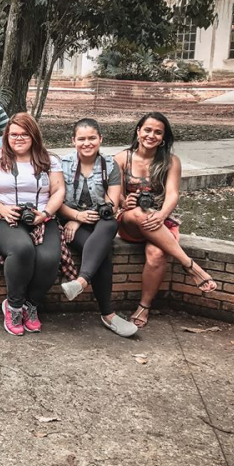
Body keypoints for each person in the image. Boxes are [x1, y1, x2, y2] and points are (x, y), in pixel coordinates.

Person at [114, 112, 217, 328]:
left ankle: (143, 306)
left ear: (163, 137)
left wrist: (161, 215)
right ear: (138, 131)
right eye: (148, 130)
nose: (151, 135)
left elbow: (172, 194)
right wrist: (125, 201)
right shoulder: (122, 158)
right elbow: (113, 194)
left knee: (157, 253)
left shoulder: (171, 161)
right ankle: (190, 265)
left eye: (158, 132)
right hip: (130, 221)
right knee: (141, 214)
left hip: (159, 222)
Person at [0, 112, 70, 337]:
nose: (18, 138)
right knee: (22, 249)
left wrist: (46, 212)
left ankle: (32, 304)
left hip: (41, 216)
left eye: (24, 134)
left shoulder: (49, 159)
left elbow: (58, 190)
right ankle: (14, 306)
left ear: (34, 136)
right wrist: (1, 208)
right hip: (4, 218)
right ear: (6, 136)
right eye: (13, 134)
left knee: (49, 258)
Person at [57, 118, 137, 337]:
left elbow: (112, 204)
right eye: (81, 138)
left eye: (92, 138)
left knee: (109, 222)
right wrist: (75, 216)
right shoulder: (62, 165)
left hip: (99, 221)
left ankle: (81, 281)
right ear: (73, 141)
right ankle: (108, 315)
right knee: (102, 256)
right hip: (69, 222)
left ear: (100, 139)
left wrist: (81, 218)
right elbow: (56, 201)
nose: (87, 143)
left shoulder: (110, 165)